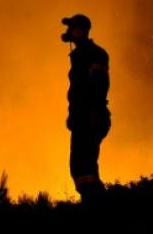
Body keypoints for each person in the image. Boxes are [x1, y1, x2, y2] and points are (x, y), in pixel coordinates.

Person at [61, 13, 111, 206]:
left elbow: (100, 85)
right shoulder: (78, 56)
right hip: (80, 117)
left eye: (74, 28)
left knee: (85, 165)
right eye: (70, 28)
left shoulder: (96, 54)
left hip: (91, 116)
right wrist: (72, 115)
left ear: (83, 30)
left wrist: (94, 112)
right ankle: (92, 203)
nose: (70, 32)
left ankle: (98, 206)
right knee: (79, 166)